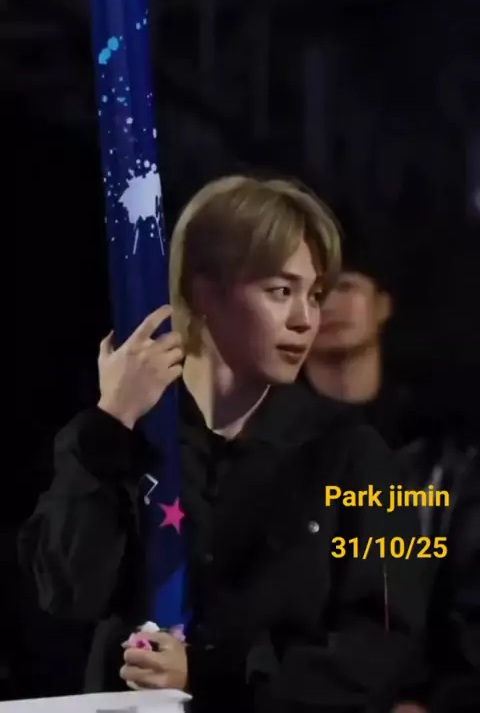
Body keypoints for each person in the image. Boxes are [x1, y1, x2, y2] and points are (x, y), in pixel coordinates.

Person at [19, 175, 425, 713]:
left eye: (315, 295)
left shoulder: (357, 453)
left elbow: (384, 643)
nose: (306, 320)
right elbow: (65, 594)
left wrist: (213, 674)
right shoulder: (121, 436)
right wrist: (111, 420)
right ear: (206, 293)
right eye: (281, 291)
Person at [304, 227, 480, 712]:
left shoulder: (445, 455)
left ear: (382, 305)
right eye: (315, 293)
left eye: (346, 286)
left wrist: (440, 701)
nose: (330, 305)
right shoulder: (270, 448)